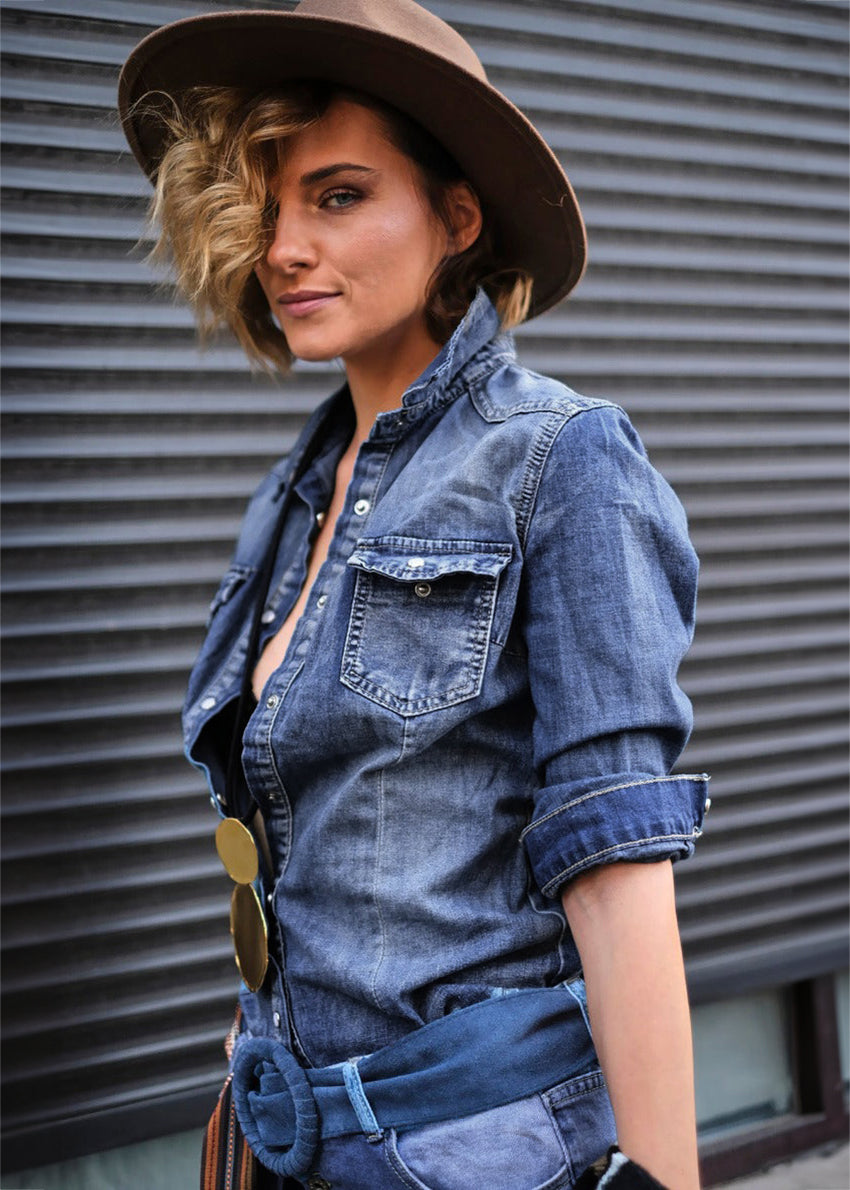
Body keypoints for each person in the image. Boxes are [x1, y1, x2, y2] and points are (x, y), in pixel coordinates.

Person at [119, 2, 710, 1187]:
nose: (284, 246)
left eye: (336, 196)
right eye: (267, 204)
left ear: (456, 216)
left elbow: (616, 867)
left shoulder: (560, 458)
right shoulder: (287, 499)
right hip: (283, 1130)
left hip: (467, 1146)